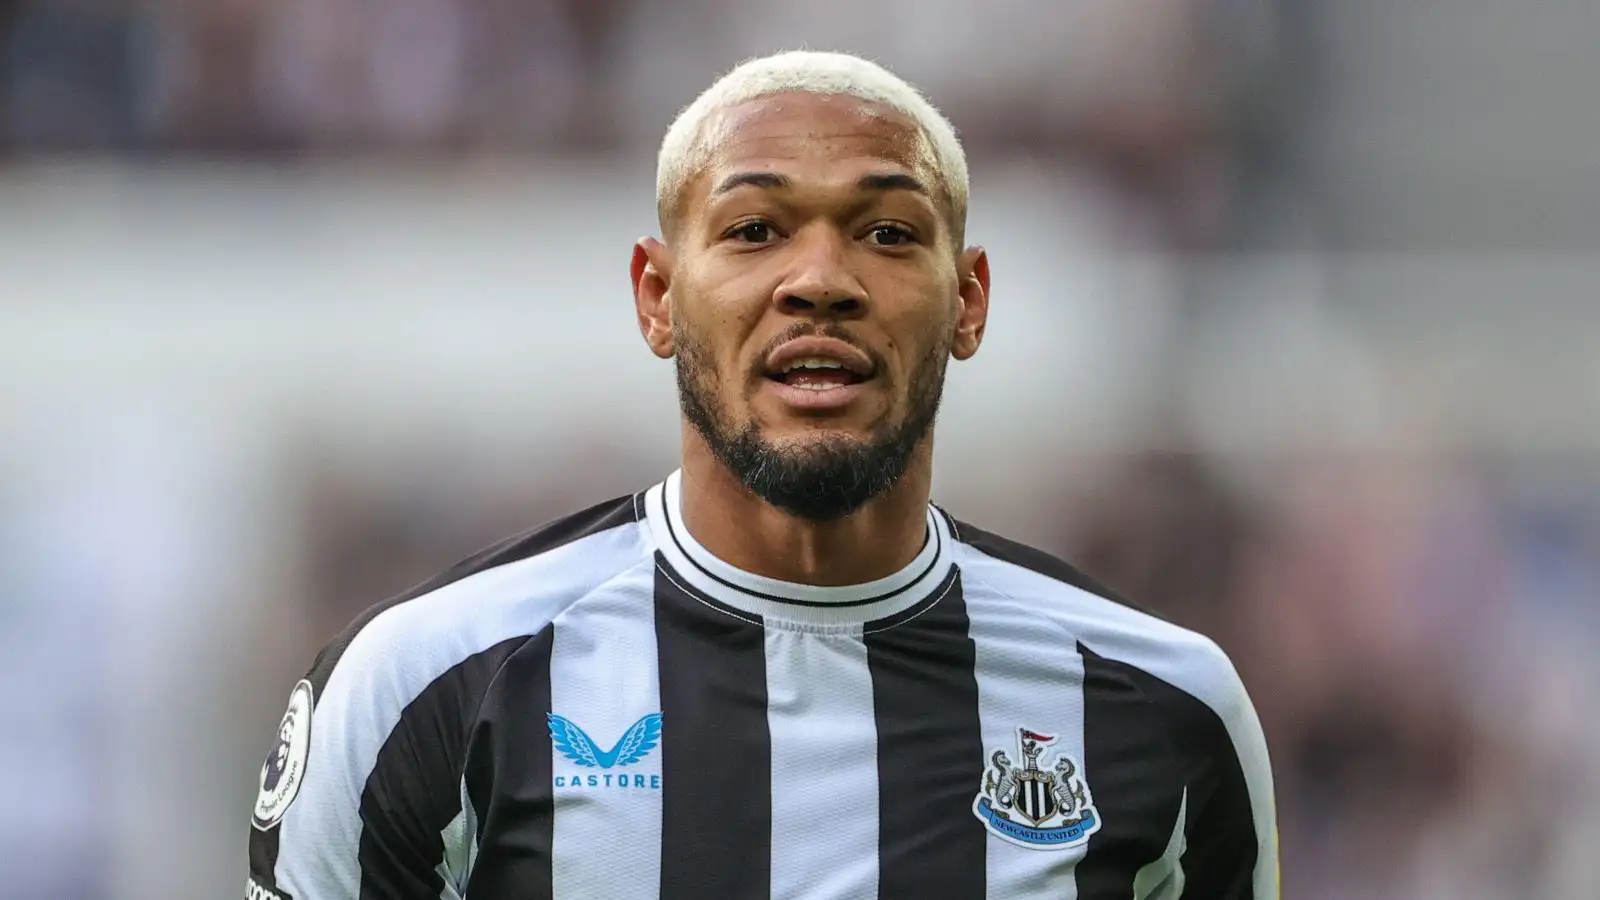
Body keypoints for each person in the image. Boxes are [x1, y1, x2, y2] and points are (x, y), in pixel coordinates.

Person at [244, 50, 1278, 899]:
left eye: (885, 232)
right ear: (657, 296)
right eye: (753, 231)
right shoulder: (429, 686)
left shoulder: (1161, 706)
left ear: (967, 302)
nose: (819, 281)